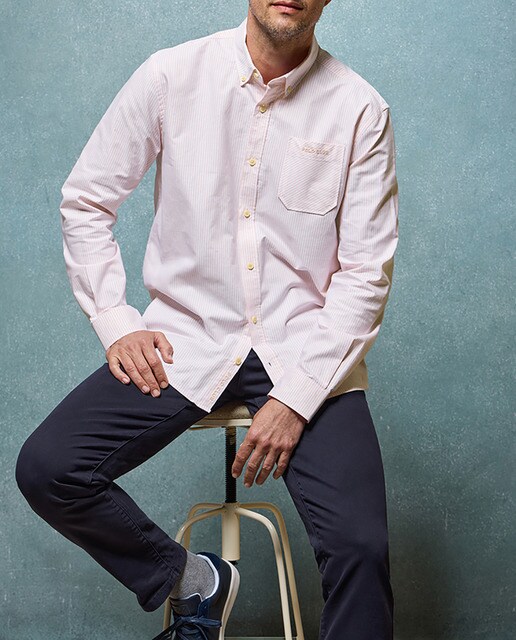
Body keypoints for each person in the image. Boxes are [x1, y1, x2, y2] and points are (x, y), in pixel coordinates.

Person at [15, 1, 399, 638]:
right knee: (49, 467)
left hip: (308, 351)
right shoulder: (170, 75)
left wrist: (297, 398)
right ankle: (193, 580)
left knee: (361, 547)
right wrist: (116, 319)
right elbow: (86, 200)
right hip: (188, 340)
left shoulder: (360, 108)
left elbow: (365, 273)